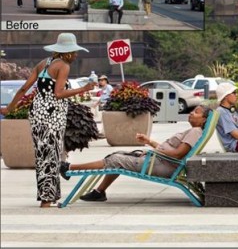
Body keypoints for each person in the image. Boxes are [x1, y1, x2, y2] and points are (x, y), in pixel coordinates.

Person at [0, 33, 95, 208]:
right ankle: (46, 200)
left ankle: (49, 197)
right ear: (67, 53)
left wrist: (9, 108)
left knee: (43, 156)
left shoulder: (43, 63)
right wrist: (84, 88)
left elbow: (23, 88)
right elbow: (58, 93)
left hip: (37, 115)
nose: (76, 55)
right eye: (74, 52)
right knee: (51, 156)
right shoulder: (63, 66)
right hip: (52, 116)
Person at [60, 105, 211, 202]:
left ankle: (69, 168)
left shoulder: (194, 131)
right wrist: (149, 141)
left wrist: (155, 153)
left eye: (196, 112)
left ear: (203, 120)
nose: (191, 113)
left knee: (115, 160)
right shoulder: (194, 131)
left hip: (160, 165)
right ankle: (99, 192)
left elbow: (178, 154)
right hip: (159, 161)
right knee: (118, 157)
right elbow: (171, 151)